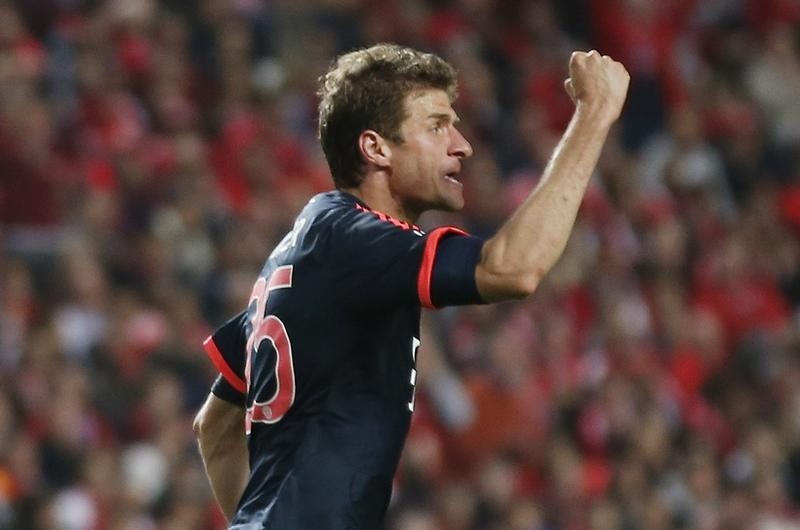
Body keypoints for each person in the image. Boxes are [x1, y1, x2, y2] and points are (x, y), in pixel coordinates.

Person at [193, 43, 629, 529]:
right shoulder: (355, 241)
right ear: (376, 147)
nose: (461, 145)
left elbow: (214, 427)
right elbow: (512, 269)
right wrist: (594, 116)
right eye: (437, 126)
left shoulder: (306, 252)